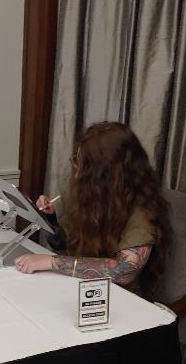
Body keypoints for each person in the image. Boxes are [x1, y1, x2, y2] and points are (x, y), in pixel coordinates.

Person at [14, 121, 172, 296]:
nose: (77, 173)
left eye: (85, 167)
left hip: (121, 298)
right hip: (86, 287)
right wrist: (50, 220)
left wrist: (52, 262)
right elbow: (67, 248)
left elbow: (123, 272)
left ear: (108, 174)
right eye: (77, 161)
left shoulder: (143, 212)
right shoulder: (98, 199)